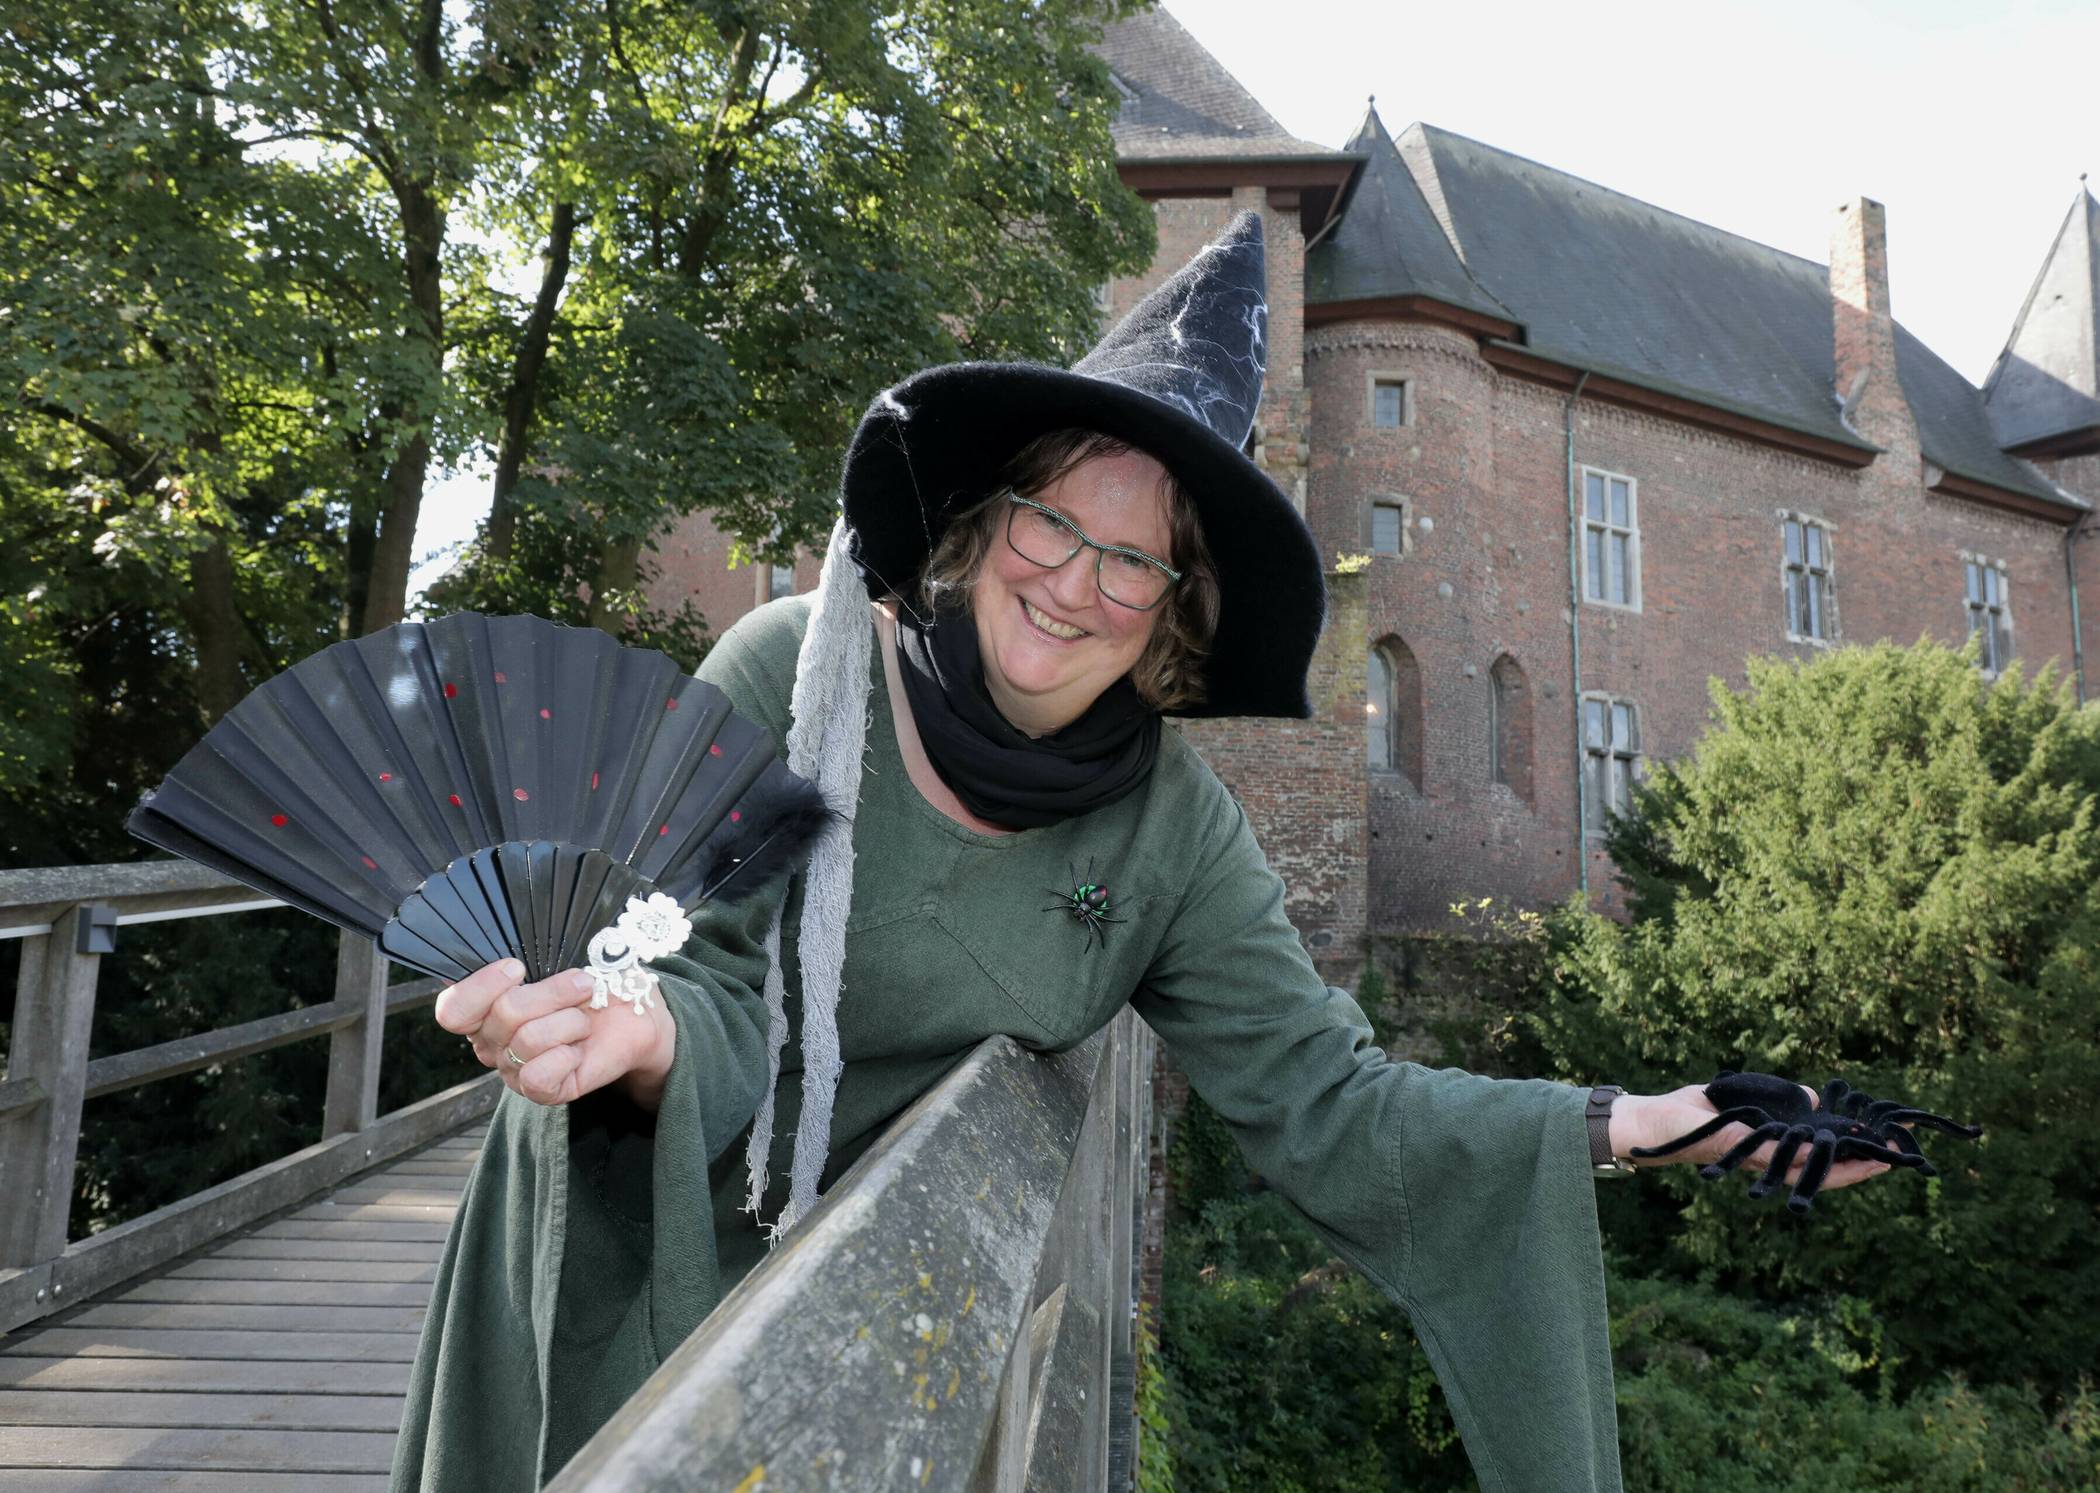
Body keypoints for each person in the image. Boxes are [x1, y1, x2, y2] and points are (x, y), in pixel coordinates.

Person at [389, 215, 1889, 1493]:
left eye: (1135, 558)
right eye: (1055, 522)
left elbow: (1330, 1102)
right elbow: (695, 968)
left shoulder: (1172, 826)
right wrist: (638, 1029)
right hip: (619, 1241)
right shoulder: (796, 674)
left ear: (1175, 605)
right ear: (983, 528)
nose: (1078, 584)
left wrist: (1632, 1121)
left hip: (859, 1275)